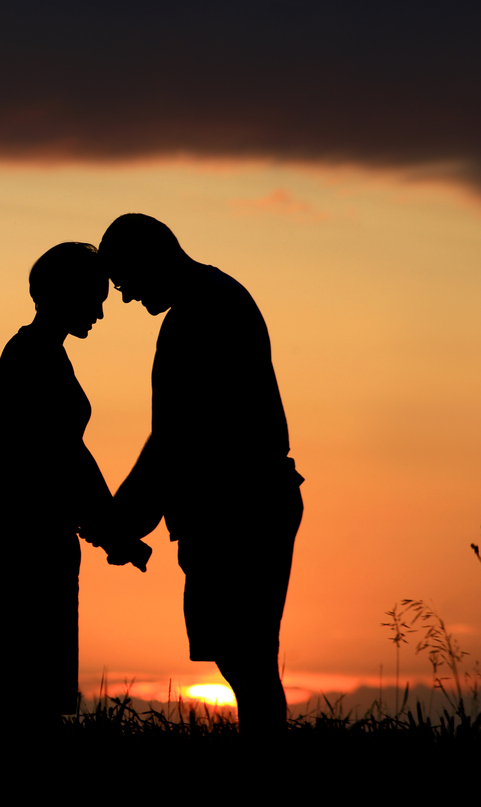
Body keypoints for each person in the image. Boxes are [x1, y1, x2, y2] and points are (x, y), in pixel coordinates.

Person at [98, 213, 304, 736]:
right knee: (245, 658)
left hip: (240, 508)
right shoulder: (215, 297)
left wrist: (123, 518)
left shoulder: (199, 313)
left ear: (152, 258)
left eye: (125, 282)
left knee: (246, 657)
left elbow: (176, 436)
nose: (123, 299)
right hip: (244, 503)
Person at [0, 242, 147, 728]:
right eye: (96, 299)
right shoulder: (32, 356)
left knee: (39, 696)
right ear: (66, 295)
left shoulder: (42, 353)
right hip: (24, 533)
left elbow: (68, 459)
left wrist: (108, 527)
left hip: (36, 530)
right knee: (30, 699)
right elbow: (59, 459)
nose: (100, 313)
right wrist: (111, 529)